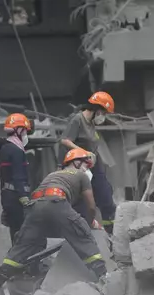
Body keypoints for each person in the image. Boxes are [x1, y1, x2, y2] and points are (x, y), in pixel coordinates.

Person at [0, 148, 108, 280]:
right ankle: (104, 276)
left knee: (24, 244)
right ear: (77, 162)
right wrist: (89, 223)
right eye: (86, 165)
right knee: (82, 234)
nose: (87, 169)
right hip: (56, 201)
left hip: (34, 206)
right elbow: (91, 207)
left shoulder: (52, 175)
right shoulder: (81, 176)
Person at [60, 91, 117, 234]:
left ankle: (111, 230)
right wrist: (83, 153)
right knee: (82, 201)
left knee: (105, 194)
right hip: (80, 164)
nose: (103, 116)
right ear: (96, 109)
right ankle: (82, 230)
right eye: (103, 112)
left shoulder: (91, 124)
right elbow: (65, 140)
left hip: (93, 164)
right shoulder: (77, 120)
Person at [0, 113, 32, 243]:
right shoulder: (17, 150)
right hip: (16, 196)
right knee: (21, 234)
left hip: (8, 195)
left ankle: (16, 260)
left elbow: (4, 175)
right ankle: (20, 261)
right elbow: (18, 175)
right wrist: (24, 197)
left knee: (15, 233)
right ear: (17, 130)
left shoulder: (5, 148)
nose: (25, 134)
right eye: (24, 130)